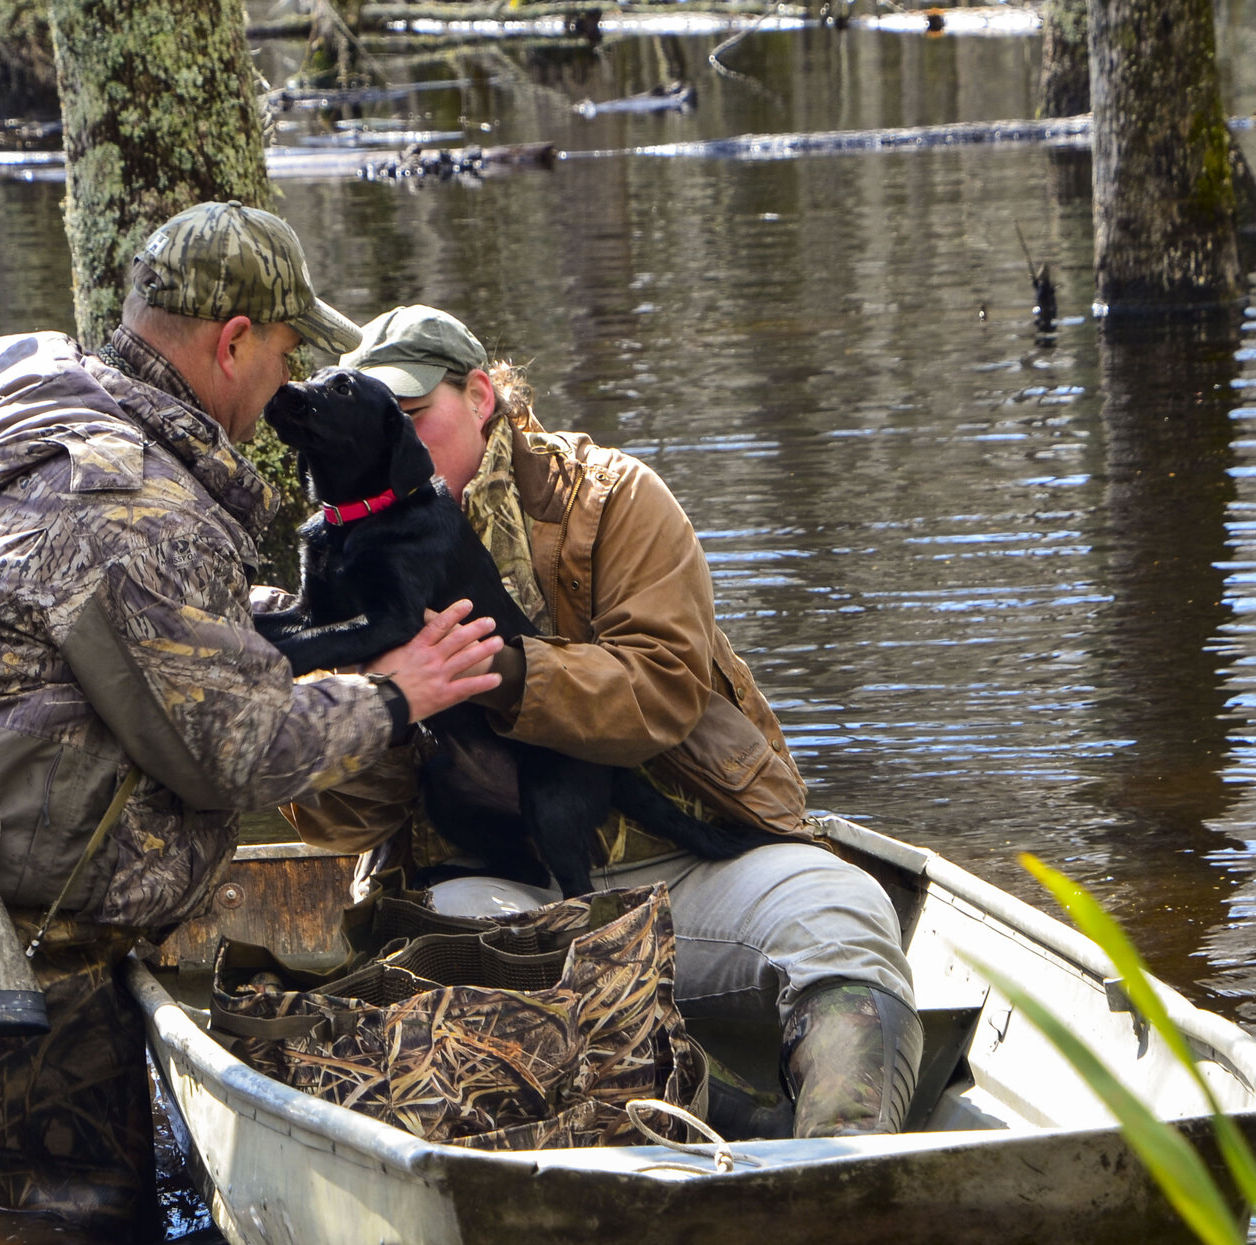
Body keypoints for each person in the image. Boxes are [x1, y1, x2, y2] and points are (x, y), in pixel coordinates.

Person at [0, 207, 503, 1237]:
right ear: (231, 341)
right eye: (281, 353)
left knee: (11, 1219)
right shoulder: (141, 506)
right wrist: (398, 692)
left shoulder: (38, 399)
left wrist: (292, 623)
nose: (286, 386)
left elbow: (120, 632)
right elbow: (240, 752)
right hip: (4, 946)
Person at [287, 305, 923, 1138]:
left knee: (843, 909)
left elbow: (661, 687)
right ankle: (713, 1121)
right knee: (450, 976)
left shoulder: (612, 499)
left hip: (681, 867)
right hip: (490, 887)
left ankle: (842, 1166)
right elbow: (335, 822)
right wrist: (384, 705)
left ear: (481, 395)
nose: (396, 440)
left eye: (413, 416)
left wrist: (498, 672)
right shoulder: (342, 544)